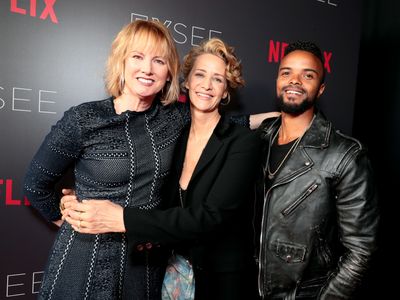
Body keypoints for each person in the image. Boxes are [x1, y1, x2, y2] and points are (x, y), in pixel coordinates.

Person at [61, 38, 261, 300]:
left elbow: (211, 218)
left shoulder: (243, 142)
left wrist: (123, 219)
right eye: (200, 75)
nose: (207, 85)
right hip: (170, 272)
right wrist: (80, 197)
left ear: (225, 91)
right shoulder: (173, 134)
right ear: (186, 82)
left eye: (218, 79)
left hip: (220, 280)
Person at [254, 41, 379, 300]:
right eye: (286, 72)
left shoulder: (344, 154)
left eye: (307, 75)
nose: (294, 81)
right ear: (277, 79)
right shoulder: (262, 137)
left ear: (320, 88)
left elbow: (361, 251)